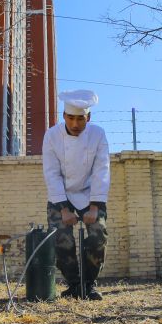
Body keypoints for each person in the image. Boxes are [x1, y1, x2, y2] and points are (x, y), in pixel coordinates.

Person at [41, 89, 110, 300]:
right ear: (63, 116)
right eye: (70, 118)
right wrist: (63, 208)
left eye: (80, 118)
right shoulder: (51, 135)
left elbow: (101, 170)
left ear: (88, 117)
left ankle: (88, 285)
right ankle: (73, 285)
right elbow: (51, 173)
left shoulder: (98, 134)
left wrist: (95, 206)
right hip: (61, 195)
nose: (75, 124)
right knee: (61, 240)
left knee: (98, 237)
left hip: (91, 194)